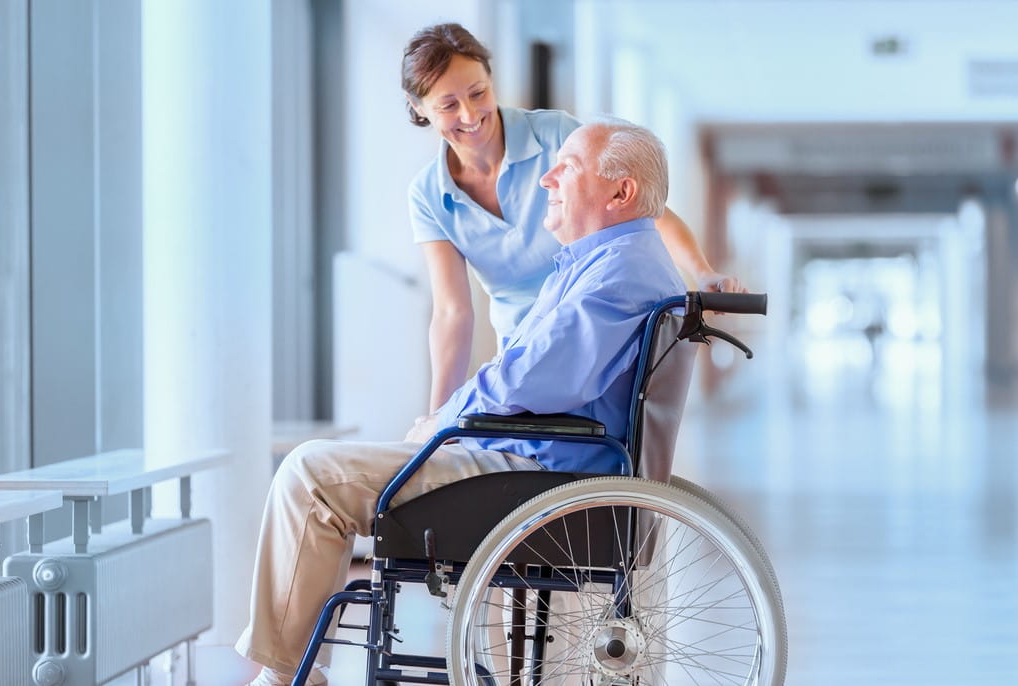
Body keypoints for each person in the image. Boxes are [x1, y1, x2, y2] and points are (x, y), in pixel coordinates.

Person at [236, 119, 683, 685]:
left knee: (311, 473)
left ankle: (281, 677)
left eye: (567, 167)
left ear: (621, 193)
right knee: (341, 463)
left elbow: (533, 377)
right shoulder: (613, 263)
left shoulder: (620, 270)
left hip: (536, 475)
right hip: (536, 460)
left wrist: (445, 420)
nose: (547, 178)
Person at [403, 22, 741, 415]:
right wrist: (436, 423)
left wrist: (702, 273)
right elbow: (452, 312)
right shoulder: (428, 193)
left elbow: (644, 209)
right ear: (419, 108)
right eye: (448, 105)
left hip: (588, 332)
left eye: (479, 93)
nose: (470, 114)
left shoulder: (556, 137)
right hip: (526, 353)